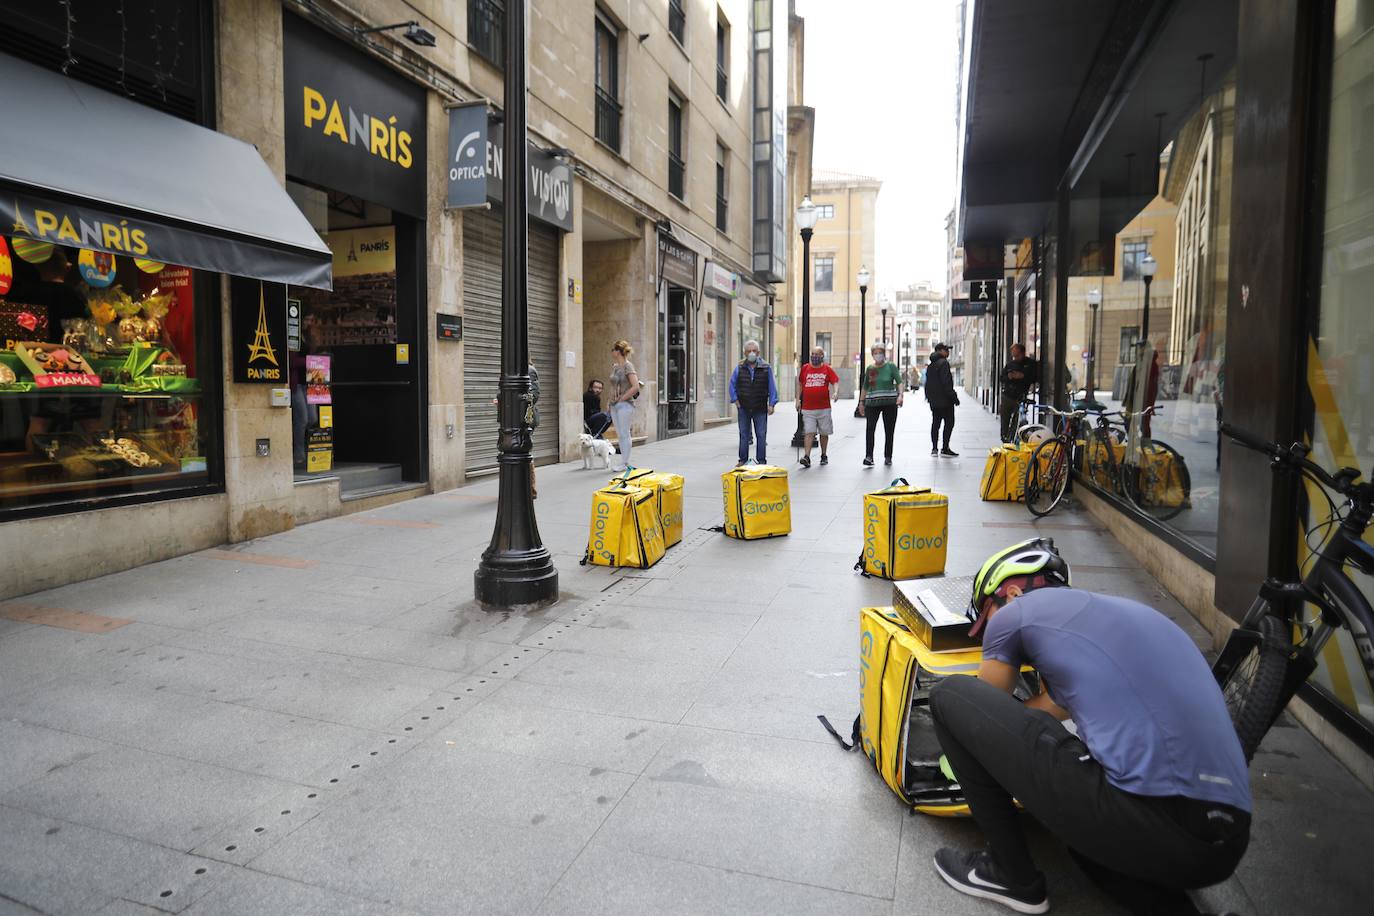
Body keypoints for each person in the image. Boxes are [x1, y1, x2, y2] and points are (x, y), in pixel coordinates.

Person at [929, 538, 1251, 915]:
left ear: (1011, 594)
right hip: (1223, 845)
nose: (989, 636)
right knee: (1085, 846)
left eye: (986, 620)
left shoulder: (1015, 613)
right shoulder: (1127, 617)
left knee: (950, 695)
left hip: (1153, 815)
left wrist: (954, 751)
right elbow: (1041, 711)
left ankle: (1008, 873)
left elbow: (981, 710)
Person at [729, 339, 777, 465]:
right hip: (744, 407)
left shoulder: (766, 368)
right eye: (749, 351)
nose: (751, 353)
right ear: (744, 353)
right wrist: (735, 400)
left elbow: (772, 387)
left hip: (760, 407)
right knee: (744, 435)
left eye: (754, 351)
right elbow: (732, 384)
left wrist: (771, 404)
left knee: (761, 435)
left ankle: (761, 461)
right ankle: (742, 460)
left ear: (758, 352)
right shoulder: (739, 367)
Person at [857, 342, 904, 467]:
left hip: (890, 403)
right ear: (872, 355)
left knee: (889, 430)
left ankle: (888, 456)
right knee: (870, 429)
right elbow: (865, 386)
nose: (878, 355)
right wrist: (861, 403)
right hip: (872, 403)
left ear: (884, 354)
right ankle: (869, 456)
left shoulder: (891, 366)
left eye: (880, 353)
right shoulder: (870, 369)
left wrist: (900, 395)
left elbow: (899, 382)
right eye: (875, 353)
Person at [796, 345, 839, 468]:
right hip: (808, 407)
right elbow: (800, 384)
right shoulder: (805, 368)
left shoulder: (827, 369)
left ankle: (823, 455)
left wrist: (836, 392)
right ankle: (807, 456)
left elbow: (835, 381)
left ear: (822, 356)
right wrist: (798, 400)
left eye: (817, 354)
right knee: (809, 432)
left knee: (824, 433)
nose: (814, 357)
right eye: (813, 354)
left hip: (824, 407)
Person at [607, 340, 640, 469]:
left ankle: (625, 463)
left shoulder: (628, 366)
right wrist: (609, 401)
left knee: (625, 433)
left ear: (618, 351)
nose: (612, 352)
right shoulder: (615, 367)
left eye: (613, 349)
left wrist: (622, 398)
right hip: (614, 405)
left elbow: (635, 386)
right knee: (620, 434)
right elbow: (613, 386)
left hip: (625, 405)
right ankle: (623, 462)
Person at [998, 343, 1038, 442]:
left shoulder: (1030, 364)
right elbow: (1001, 378)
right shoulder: (1010, 364)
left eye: (1017, 355)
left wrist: (1022, 376)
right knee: (1005, 418)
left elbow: (1035, 378)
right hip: (1007, 395)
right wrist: (1009, 377)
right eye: (1014, 355)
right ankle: (1004, 438)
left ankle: (1013, 437)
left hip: (1020, 397)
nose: (1015, 357)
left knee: (1017, 420)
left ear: (1022, 352)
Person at [925, 342, 959, 457]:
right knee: (949, 423)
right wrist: (954, 397)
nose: (948, 352)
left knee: (936, 423)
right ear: (939, 350)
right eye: (946, 350)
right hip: (945, 401)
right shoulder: (944, 363)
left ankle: (934, 448)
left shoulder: (931, 364)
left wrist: (929, 398)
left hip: (934, 401)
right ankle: (945, 448)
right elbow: (946, 383)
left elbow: (928, 383)